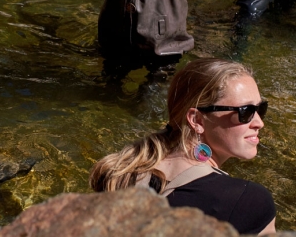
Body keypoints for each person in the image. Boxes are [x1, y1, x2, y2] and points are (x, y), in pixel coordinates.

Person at [89, 58, 276, 235]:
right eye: (246, 112)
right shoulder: (248, 202)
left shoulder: (122, 173)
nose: (259, 122)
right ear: (197, 120)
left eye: (261, 109)